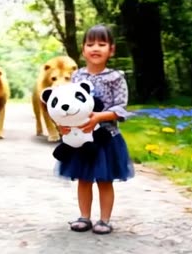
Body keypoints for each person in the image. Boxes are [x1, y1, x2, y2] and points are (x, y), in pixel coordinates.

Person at [57, 24, 135, 235]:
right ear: (83, 50)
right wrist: (63, 125)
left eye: (102, 44)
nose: (95, 48)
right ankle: (84, 216)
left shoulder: (115, 77)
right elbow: (67, 105)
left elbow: (121, 107)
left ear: (111, 49)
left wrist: (100, 116)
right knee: (83, 178)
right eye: (90, 44)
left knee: (104, 180)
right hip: (81, 138)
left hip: (106, 138)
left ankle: (105, 219)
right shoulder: (76, 77)